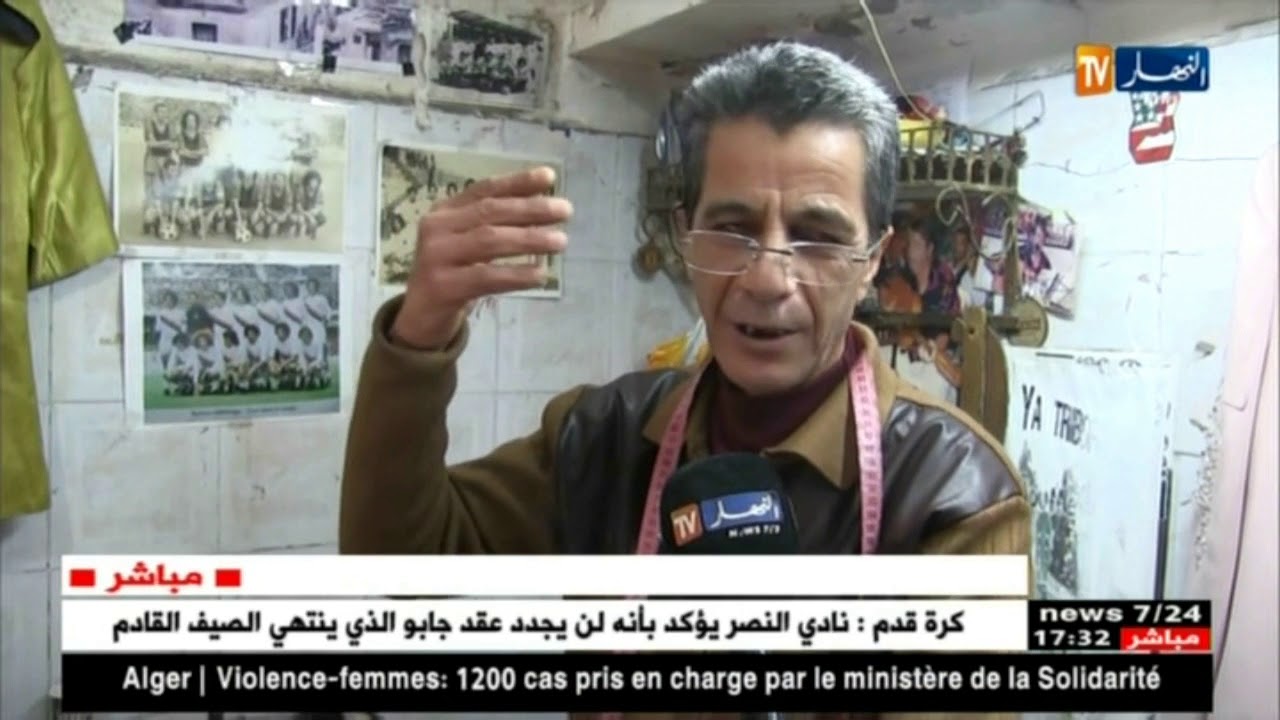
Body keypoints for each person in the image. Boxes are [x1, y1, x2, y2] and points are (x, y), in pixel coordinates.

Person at [341, 42, 1028, 571]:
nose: (767, 278)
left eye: (817, 237)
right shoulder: (602, 438)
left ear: (874, 257)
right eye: (732, 228)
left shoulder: (950, 491)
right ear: (684, 234)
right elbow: (398, 571)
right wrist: (421, 330)